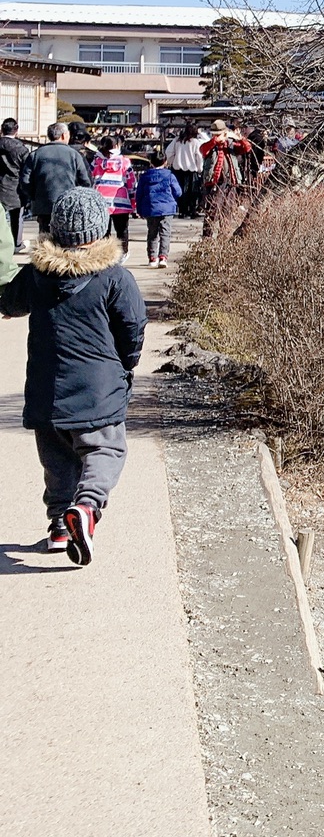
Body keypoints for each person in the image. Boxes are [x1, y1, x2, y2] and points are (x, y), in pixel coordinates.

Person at [0, 188, 146, 564]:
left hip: (46, 392)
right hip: (98, 391)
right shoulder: (115, 278)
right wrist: (126, 363)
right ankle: (86, 508)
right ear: (102, 228)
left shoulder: (36, 275)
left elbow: (8, 301)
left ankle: (60, 528)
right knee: (105, 450)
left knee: (58, 462)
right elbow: (132, 327)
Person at [23, 122, 93, 244]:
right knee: (66, 238)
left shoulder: (35, 154)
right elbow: (86, 181)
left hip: (43, 203)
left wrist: (34, 196)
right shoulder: (74, 155)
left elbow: (25, 180)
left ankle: (45, 262)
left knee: (45, 238)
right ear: (64, 135)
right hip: (68, 203)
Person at [199, 120, 254, 239]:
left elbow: (247, 148)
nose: (218, 137)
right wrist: (215, 141)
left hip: (230, 184)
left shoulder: (231, 145)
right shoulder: (209, 145)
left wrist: (239, 138)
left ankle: (223, 238)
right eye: (215, 134)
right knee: (212, 213)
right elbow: (203, 150)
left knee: (227, 213)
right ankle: (207, 240)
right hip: (214, 184)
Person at [90, 134, 137, 252]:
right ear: (117, 145)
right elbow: (131, 183)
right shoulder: (125, 162)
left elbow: (90, 180)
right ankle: (122, 255)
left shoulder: (96, 162)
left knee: (103, 232)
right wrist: (133, 201)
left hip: (100, 202)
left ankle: (104, 255)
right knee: (122, 231)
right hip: (121, 202)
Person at [134, 155, 181, 268]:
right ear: (165, 162)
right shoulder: (169, 175)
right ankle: (163, 257)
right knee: (165, 233)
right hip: (167, 208)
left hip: (150, 208)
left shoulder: (145, 176)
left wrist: (139, 209)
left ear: (151, 162)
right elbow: (178, 192)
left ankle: (152, 258)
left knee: (152, 233)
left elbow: (139, 194)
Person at [0, 118, 29, 255]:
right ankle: (16, 244)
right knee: (17, 217)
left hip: (1, 184)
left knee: (2, 218)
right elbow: (27, 169)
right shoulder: (21, 148)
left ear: (2, 129)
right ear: (16, 130)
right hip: (16, 186)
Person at [164, 124, 205, 218]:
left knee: (180, 191)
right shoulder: (195, 142)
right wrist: (200, 169)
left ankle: (182, 210)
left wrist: (172, 162)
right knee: (192, 191)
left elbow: (169, 152)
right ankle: (192, 210)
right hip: (191, 170)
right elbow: (199, 157)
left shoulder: (177, 141)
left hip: (178, 170)